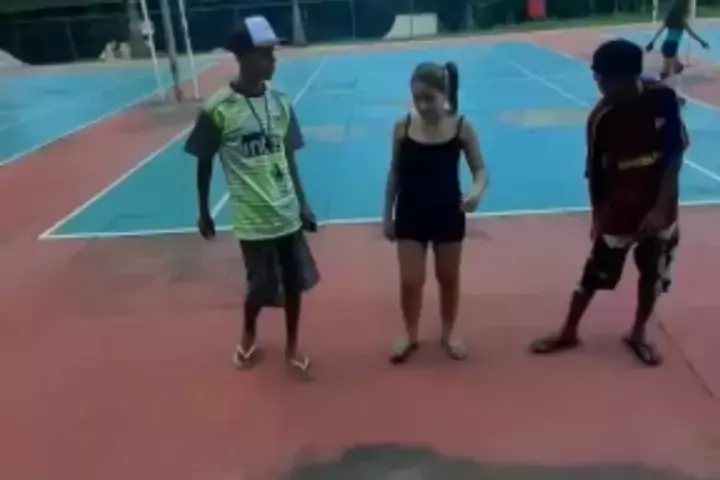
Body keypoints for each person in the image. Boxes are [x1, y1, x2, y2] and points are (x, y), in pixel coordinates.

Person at [530, 39, 688, 367]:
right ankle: (568, 331)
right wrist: (598, 217)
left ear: (627, 77)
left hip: (660, 206)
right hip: (619, 209)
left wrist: (660, 209)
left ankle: (638, 333)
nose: (598, 85)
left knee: (652, 269)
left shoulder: (663, 99)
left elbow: (674, 155)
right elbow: (596, 174)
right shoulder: (601, 118)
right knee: (594, 274)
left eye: (603, 79)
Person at [184, 16, 319, 379]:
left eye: (273, 54)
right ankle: (248, 333)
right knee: (259, 287)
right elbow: (204, 162)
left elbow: (288, 158)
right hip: (252, 219)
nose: (273, 61)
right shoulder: (218, 108)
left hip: (286, 213)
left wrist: (303, 203)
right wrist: (204, 212)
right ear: (243, 56)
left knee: (294, 283)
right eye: (265, 54)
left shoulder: (281, 102)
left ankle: (292, 345)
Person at [382, 62, 488, 364]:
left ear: (445, 93)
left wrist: (476, 191)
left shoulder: (461, 126)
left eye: (429, 98)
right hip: (410, 212)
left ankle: (448, 332)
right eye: (417, 98)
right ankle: (410, 333)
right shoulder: (402, 127)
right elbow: (394, 173)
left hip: (448, 212)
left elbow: (480, 169)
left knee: (448, 278)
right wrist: (387, 215)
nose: (423, 105)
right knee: (410, 280)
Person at [645, 0, 709, 82]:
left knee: (676, 68)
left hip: (666, 45)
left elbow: (660, 31)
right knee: (668, 72)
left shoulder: (669, 18)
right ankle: (664, 84)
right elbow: (691, 33)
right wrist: (702, 41)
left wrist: (652, 42)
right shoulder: (682, 21)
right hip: (673, 46)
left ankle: (671, 80)